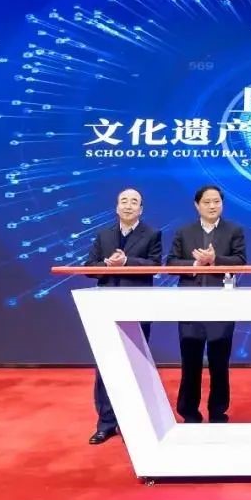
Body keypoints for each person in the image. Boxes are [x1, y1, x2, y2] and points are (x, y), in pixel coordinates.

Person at [83, 188, 163, 444]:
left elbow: (155, 266)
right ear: (117, 207)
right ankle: (106, 423)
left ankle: (135, 424)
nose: (128, 206)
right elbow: (89, 268)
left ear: (141, 209)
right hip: (107, 308)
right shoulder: (104, 234)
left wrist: (127, 261)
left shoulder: (152, 234)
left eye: (134, 202)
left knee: (137, 365)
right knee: (105, 366)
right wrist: (107, 265)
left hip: (137, 307)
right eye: (124, 201)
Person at [165, 185, 246, 423]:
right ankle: (189, 411)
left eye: (216, 201)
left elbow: (240, 261)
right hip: (190, 304)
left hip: (221, 304)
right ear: (197, 205)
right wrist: (194, 265)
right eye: (207, 202)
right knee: (190, 361)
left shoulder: (234, 230)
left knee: (219, 361)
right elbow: (171, 263)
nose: (212, 206)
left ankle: (218, 411)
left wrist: (215, 260)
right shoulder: (184, 231)